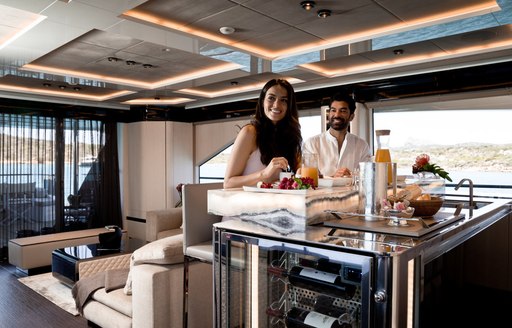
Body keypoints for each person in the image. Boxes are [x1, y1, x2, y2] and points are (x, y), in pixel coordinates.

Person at [223, 78, 302, 189]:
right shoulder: (249, 133)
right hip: (249, 205)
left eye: (283, 100)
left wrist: (300, 173)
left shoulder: (289, 137)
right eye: (271, 98)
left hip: (278, 204)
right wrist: (264, 174)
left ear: (289, 106)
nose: (276, 105)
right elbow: (228, 183)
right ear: (262, 102)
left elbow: (295, 172)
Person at [303, 92, 371, 177]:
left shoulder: (362, 146)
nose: (337, 115)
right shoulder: (311, 143)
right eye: (333, 110)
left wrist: (351, 176)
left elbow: (367, 176)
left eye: (343, 111)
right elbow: (308, 179)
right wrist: (333, 178)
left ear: (351, 116)